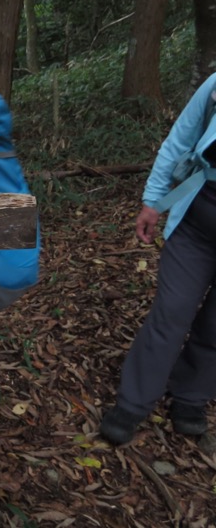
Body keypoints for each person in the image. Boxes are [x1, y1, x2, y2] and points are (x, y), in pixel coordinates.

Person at [100, 73, 216, 445]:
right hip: (196, 225)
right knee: (172, 312)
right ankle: (134, 402)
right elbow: (181, 138)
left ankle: (190, 396)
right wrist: (153, 200)